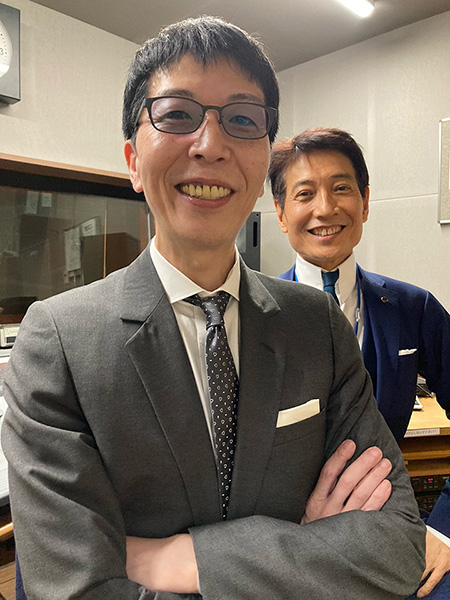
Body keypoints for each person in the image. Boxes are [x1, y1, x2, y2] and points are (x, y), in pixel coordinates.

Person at [2, 19, 425, 600]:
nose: (210, 144)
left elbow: (398, 547)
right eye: (177, 115)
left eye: (242, 120)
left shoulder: (318, 326)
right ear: (132, 160)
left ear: (263, 167)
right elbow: (74, 588)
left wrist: (185, 559)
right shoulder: (58, 343)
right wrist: (306, 547)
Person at [270, 127, 450, 598]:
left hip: (392, 530)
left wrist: (444, 528)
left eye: (341, 188)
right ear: (281, 213)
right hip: (289, 543)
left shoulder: (414, 308)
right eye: (304, 193)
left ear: (365, 203)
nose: (325, 208)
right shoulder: (252, 318)